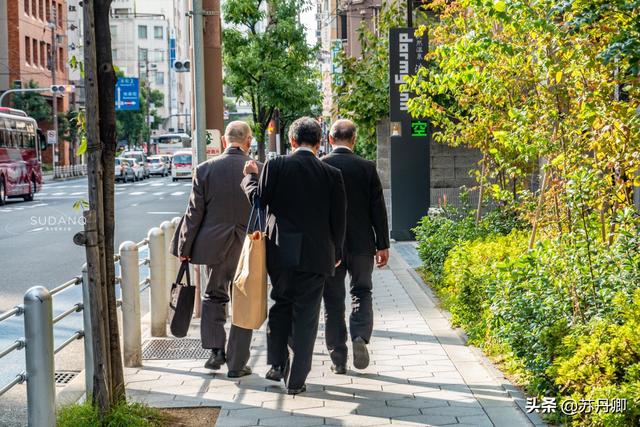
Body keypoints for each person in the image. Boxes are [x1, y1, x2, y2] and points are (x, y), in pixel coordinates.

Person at [242, 117, 346, 395]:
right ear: (319, 142)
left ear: (291, 141)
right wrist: (337, 251)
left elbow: (260, 201)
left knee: (281, 303)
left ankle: (276, 363)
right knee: (308, 315)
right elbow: (339, 219)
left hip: (280, 250)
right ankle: (297, 378)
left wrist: (250, 177)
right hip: (318, 253)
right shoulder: (331, 174)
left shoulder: (276, 166)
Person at [176, 121, 261, 378]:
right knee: (244, 301)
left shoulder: (204, 169)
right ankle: (237, 364)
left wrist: (184, 246)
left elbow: (194, 213)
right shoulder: (260, 169)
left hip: (214, 247)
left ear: (225, 141)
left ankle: (215, 352)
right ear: (248, 141)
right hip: (249, 246)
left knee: (214, 296)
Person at [321, 119, 390, 374]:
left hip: (330, 246)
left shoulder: (322, 166)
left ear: (330, 139)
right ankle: (359, 335)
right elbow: (378, 209)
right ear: (354, 139)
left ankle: (338, 358)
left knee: (333, 300)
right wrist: (382, 244)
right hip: (362, 243)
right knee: (362, 291)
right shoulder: (367, 168)